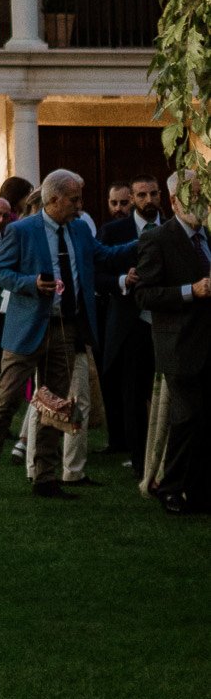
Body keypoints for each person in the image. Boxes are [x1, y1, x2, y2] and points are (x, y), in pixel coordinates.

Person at [0, 167, 134, 501]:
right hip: (27, 328)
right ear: (54, 199)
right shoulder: (22, 231)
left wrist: (145, 239)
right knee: (6, 400)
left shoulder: (79, 231)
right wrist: (31, 284)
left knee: (53, 405)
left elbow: (106, 256)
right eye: (74, 199)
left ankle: (45, 477)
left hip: (64, 327)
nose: (79, 205)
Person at [133, 171, 211, 516]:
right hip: (178, 344)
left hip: (208, 340)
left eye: (203, 196)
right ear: (175, 201)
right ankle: (171, 487)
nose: (200, 203)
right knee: (186, 417)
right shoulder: (159, 239)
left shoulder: (207, 236)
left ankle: (197, 490)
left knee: (203, 418)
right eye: (193, 196)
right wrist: (189, 292)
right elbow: (144, 294)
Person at [101, 173, 163, 470]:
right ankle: (139, 459)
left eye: (153, 193)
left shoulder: (174, 228)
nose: (148, 200)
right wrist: (122, 279)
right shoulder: (113, 232)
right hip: (131, 321)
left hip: (168, 319)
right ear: (134, 198)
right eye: (142, 195)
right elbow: (95, 274)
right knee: (133, 392)